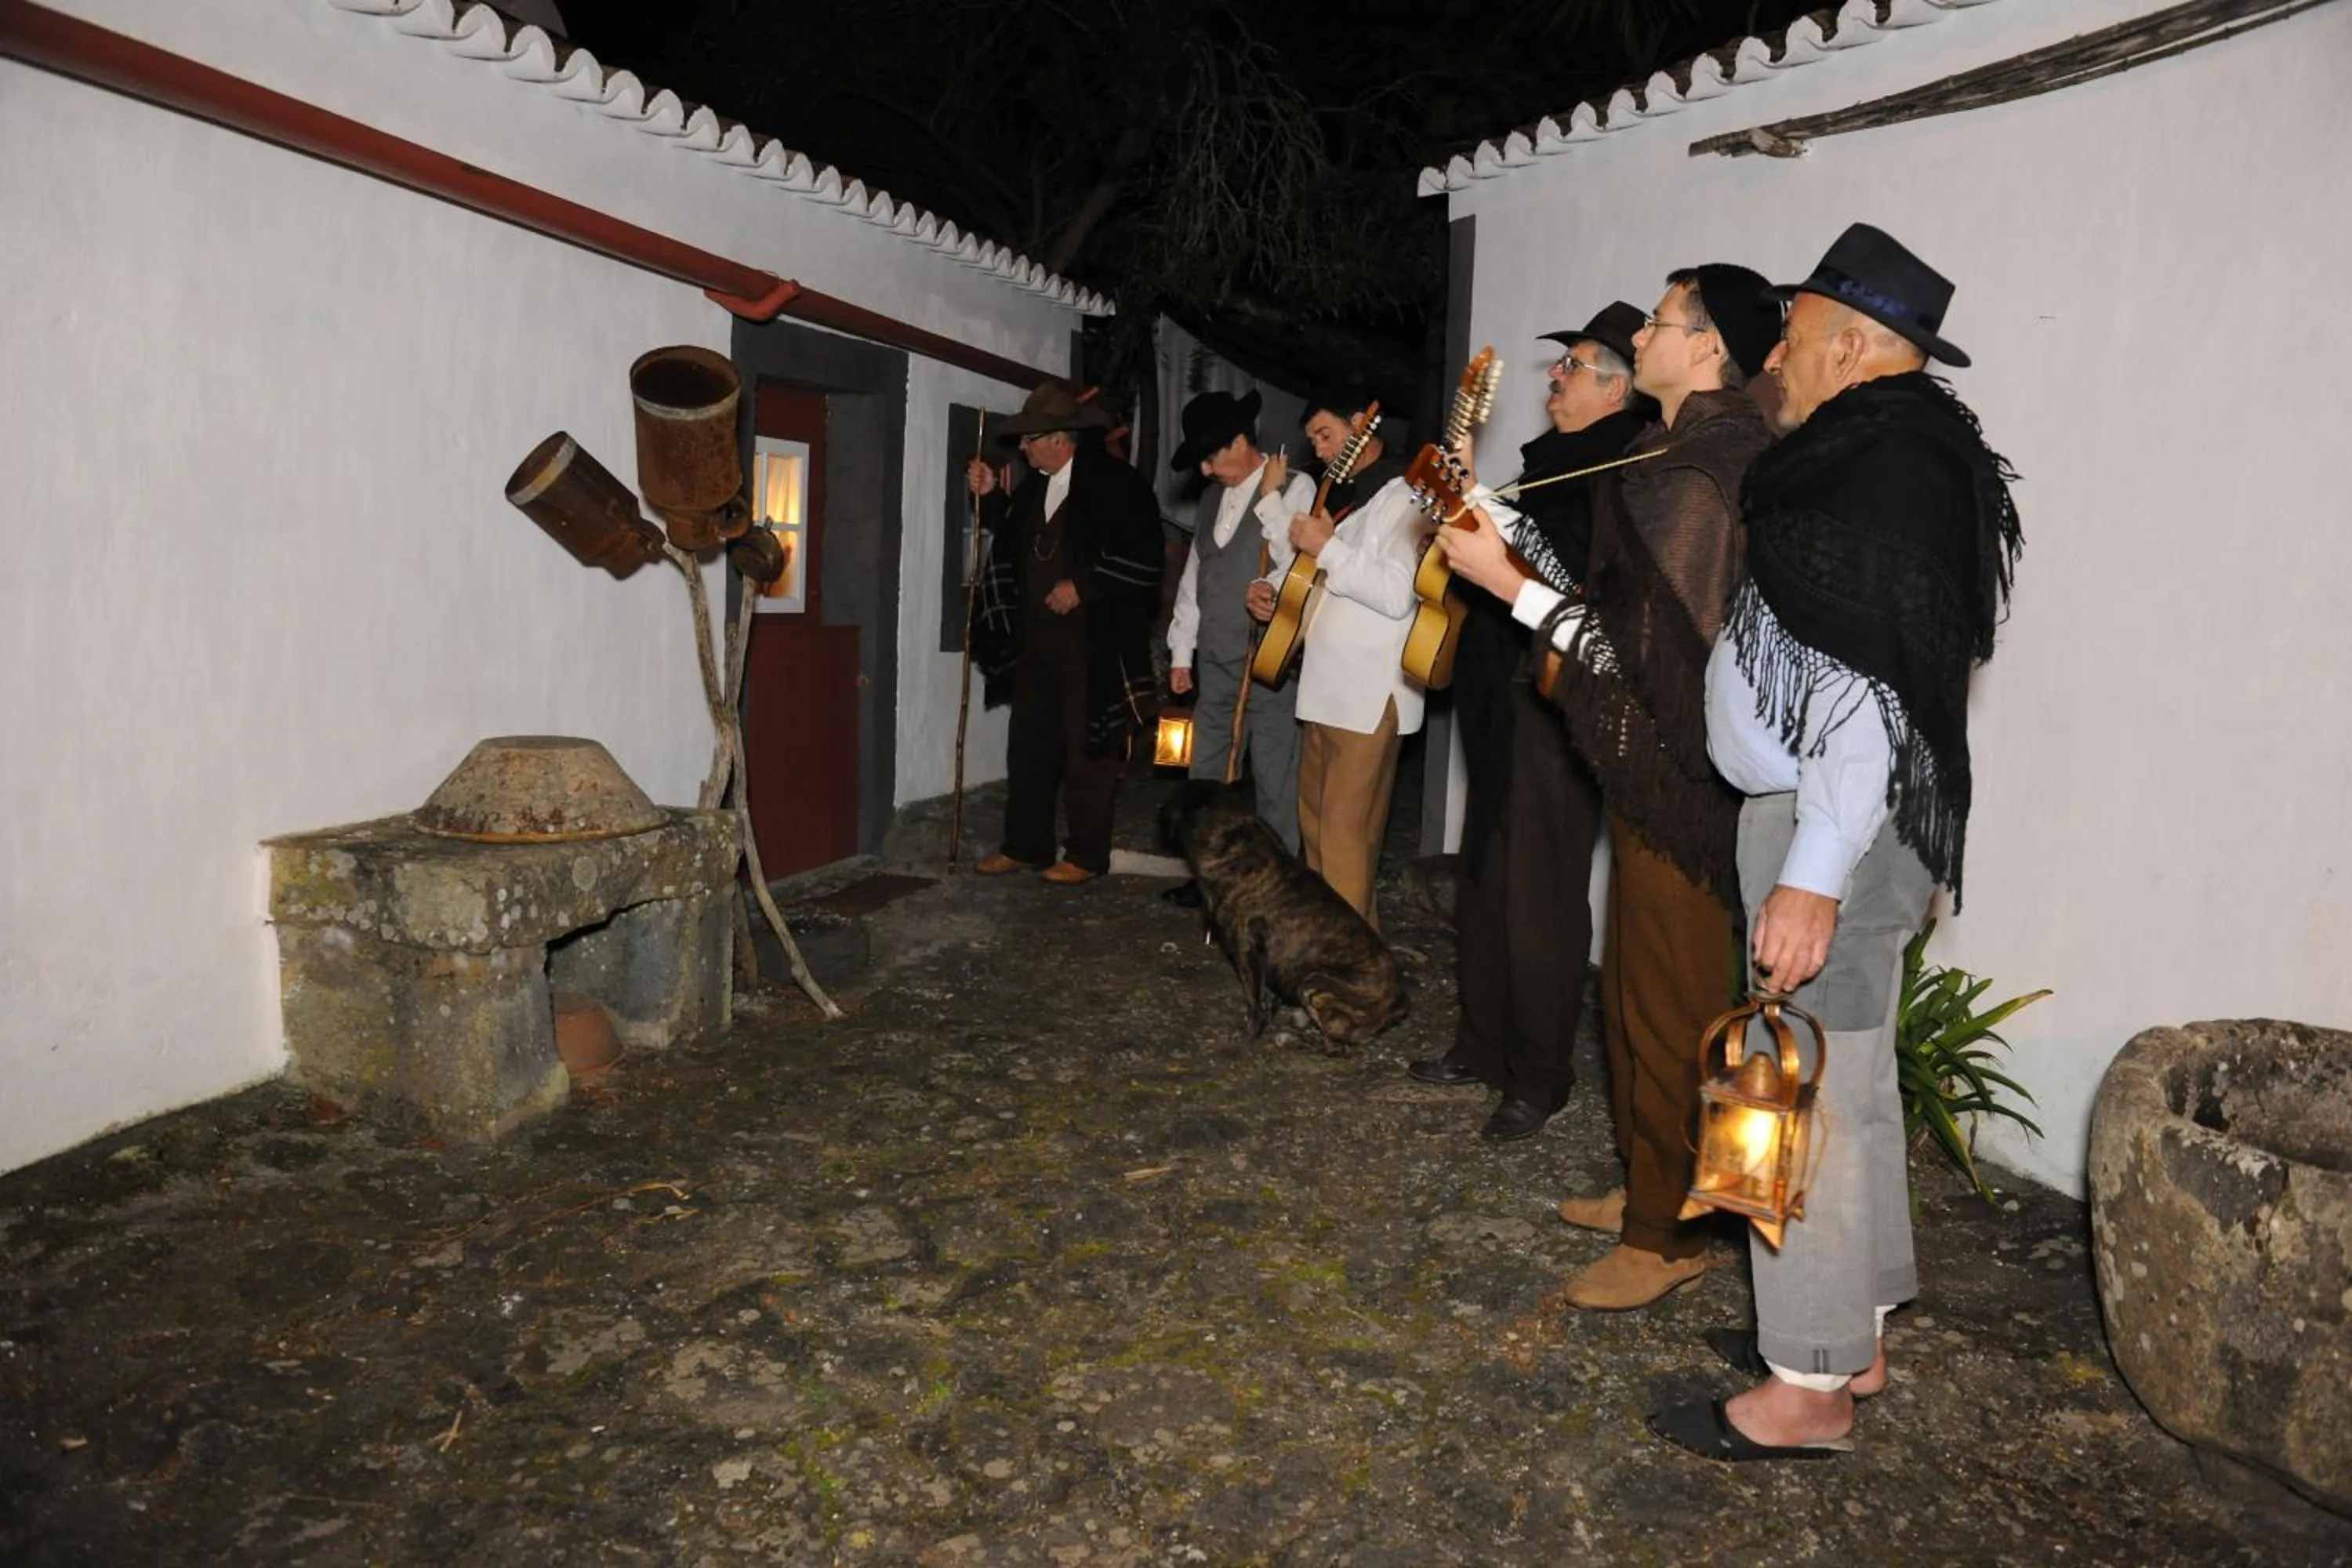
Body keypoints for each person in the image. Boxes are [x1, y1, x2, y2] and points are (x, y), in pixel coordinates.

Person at [1646, 224, 2023, 1461]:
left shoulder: (1875, 466)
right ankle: (1848, 1339)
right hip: (1855, 822)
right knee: (1845, 1088)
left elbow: (1860, 687)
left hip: (1830, 825)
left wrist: (1810, 877)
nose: (1780, 368)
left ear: (1858, 347)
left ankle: (1802, 1386)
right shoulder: (1906, 450)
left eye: (1798, 343)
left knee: (1791, 1088)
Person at [1439, 267, 1781, 1307]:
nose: (1641, 334)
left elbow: (1640, 655)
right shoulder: (1667, 448)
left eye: (1662, 322)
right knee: (1632, 995)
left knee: (1673, 1004)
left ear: (1709, 347)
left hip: (1683, 783)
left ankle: (1670, 1236)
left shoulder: (1703, 470)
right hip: (1651, 776)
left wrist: (1507, 585)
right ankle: (1654, 1191)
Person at [1407, 303, 1653, 1142]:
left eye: (1574, 365)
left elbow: (1566, 579)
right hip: (1498, 696)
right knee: (1483, 879)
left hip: (1558, 704)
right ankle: (1480, 1044)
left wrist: (1486, 513)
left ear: (1617, 388)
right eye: (1558, 365)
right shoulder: (1548, 460)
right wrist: (1467, 496)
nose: (1555, 375)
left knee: (1539, 895)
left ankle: (1540, 1075)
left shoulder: (1624, 464)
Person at [967, 378, 1164, 884]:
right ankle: (1025, 845)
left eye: (1031, 439)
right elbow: (1012, 543)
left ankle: (1085, 854)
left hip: (1092, 645)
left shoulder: (1118, 485)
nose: (1024, 448)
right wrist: (991, 497)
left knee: (1088, 752)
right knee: (1029, 747)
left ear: (1060, 439)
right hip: (1035, 641)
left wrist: (1085, 586)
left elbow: (1145, 560)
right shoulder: (1034, 487)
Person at [1247, 385, 1421, 927]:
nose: (1319, 450)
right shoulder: (1345, 503)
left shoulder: (1405, 496)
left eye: (1326, 435)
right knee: (1320, 839)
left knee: (1347, 841)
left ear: (1361, 428)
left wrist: (1327, 547)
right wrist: (1274, 591)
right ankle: (1334, 957)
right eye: (1314, 440)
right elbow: (1318, 577)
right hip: (1323, 690)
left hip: (1368, 696)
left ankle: (1349, 984)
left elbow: (1397, 594)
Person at [1161, 390, 1317, 905]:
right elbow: (1195, 576)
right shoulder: (1210, 499)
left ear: (1239, 441)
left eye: (1211, 457)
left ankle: (1274, 887)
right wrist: (1182, 652)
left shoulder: (1295, 486)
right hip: (1216, 657)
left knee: (1274, 776)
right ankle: (1210, 879)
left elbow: (1297, 561)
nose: (1205, 471)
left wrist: (1271, 589)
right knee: (1207, 770)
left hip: (1269, 660)